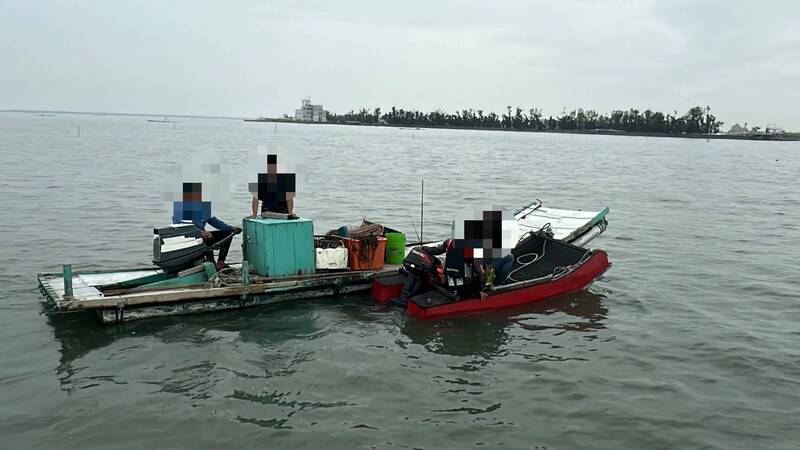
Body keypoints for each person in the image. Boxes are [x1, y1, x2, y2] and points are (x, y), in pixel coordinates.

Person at [173, 182, 241, 270]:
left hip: (203, 237)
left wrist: (231, 228)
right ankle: (211, 263)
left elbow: (214, 221)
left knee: (227, 234)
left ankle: (220, 262)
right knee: (205, 240)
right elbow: (180, 227)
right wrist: (199, 232)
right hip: (189, 240)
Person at [395, 239, 453, 306]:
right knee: (419, 273)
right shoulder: (453, 243)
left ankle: (403, 299)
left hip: (448, 275)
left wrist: (424, 248)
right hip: (449, 274)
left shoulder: (450, 242)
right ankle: (407, 300)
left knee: (416, 273)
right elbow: (438, 250)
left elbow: (438, 250)